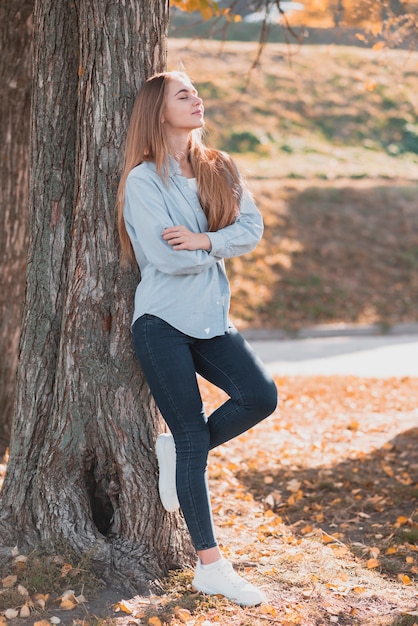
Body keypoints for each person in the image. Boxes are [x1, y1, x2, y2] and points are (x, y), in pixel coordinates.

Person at [117, 70, 278, 607]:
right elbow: (162, 257)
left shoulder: (220, 167)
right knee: (191, 438)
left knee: (260, 396)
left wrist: (204, 240)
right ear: (158, 111)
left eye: (196, 92)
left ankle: (180, 450)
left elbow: (251, 230)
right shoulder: (143, 180)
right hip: (161, 321)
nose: (196, 99)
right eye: (182, 94)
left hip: (211, 318)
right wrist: (208, 247)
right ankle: (211, 566)